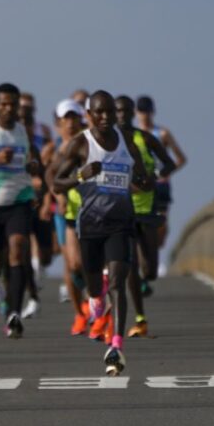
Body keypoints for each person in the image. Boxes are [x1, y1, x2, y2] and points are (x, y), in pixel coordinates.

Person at [52, 90, 154, 375]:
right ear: (89, 115)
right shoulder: (80, 145)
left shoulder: (127, 143)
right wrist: (80, 176)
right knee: (96, 287)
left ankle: (116, 344)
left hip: (121, 224)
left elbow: (144, 179)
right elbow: (58, 183)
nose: (106, 117)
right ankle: (94, 298)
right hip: (91, 227)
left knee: (119, 282)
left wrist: (146, 180)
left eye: (109, 111)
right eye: (99, 112)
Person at [0, 82, 42, 339]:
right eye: (3, 104)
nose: (8, 109)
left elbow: (34, 158)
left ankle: (13, 313)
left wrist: (35, 166)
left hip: (19, 201)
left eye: (12, 104)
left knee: (19, 248)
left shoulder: (23, 131)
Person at [114, 96, 176, 337]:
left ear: (132, 113)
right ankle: (140, 318)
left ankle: (143, 282)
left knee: (149, 270)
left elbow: (169, 163)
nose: (121, 115)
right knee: (130, 265)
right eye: (117, 110)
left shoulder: (145, 138)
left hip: (146, 208)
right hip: (121, 210)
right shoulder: (108, 141)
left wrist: (156, 177)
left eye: (126, 111)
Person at [45, 98, 90, 335]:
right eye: (65, 119)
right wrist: (55, 197)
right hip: (65, 213)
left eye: (74, 117)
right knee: (72, 264)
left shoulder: (88, 144)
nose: (70, 123)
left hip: (89, 209)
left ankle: (91, 300)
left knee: (87, 262)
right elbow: (49, 176)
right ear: (58, 123)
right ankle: (80, 313)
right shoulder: (54, 149)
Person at [135, 95, 187, 254]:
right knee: (138, 224)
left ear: (153, 112)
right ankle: (142, 256)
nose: (145, 115)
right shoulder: (131, 135)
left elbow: (181, 159)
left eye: (147, 111)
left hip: (160, 184)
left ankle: (154, 249)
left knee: (160, 226)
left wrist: (165, 173)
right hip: (139, 185)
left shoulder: (162, 133)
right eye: (142, 111)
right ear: (136, 113)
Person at [18, 92, 55, 318]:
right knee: (22, 242)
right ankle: (31, 294)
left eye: (29, 112)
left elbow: (49, 169)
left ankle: (38, 264)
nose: (25, 117)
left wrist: (47, 196)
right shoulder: (11, 135)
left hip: (41, 195)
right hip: (19, 198)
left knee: (47, 253)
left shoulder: (43, 133)